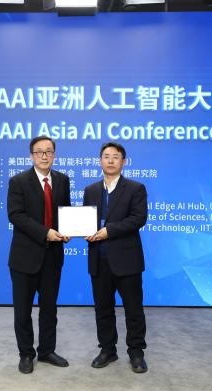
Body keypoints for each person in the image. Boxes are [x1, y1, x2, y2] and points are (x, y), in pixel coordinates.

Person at [7, 135, 71, 374]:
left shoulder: (62, 180)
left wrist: (68, 230)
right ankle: (26, 354)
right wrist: (46, 233)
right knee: (23, 310)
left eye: (49, 151)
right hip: (24, 257)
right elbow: (16, 216)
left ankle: (46, 350)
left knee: (49, 308)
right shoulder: (18, 181)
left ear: (54, 154)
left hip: (53, 256)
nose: (44, 156)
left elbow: (65, 212)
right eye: (39, 152)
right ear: (31, 155)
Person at [83, 142, 149, 374]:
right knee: (103, 308)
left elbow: (138, 219)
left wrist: (108, 231)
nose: (110, 160)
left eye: (115, 157)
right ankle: (107, 349)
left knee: (133, 309)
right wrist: (83, 230)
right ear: (99, 161)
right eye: (106, 156)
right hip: (98, 260)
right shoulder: (91, 190)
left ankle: (136, 352)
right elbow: (86, 221)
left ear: (124, 162)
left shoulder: (135, 188)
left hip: (127, 260)